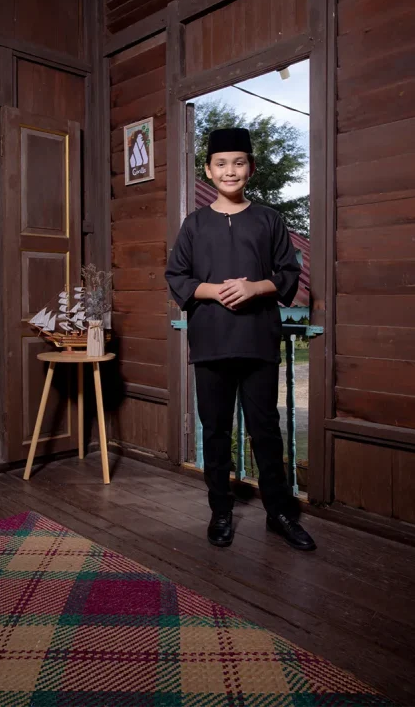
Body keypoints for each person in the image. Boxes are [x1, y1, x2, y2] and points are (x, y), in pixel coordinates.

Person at [165, 127, 316, 552]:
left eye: (238, 162)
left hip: (257, 340)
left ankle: (280, 513)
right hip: (211, 342)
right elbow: (177, 277)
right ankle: (220, 510)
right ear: (208, 171)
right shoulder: (194, 225)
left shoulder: (269, 219)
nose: (230, 170)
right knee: (215, 430)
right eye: (221, 164)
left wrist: (254, 287)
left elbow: (287, 273)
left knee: (266, 429)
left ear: (250, 167)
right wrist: (215, 290)